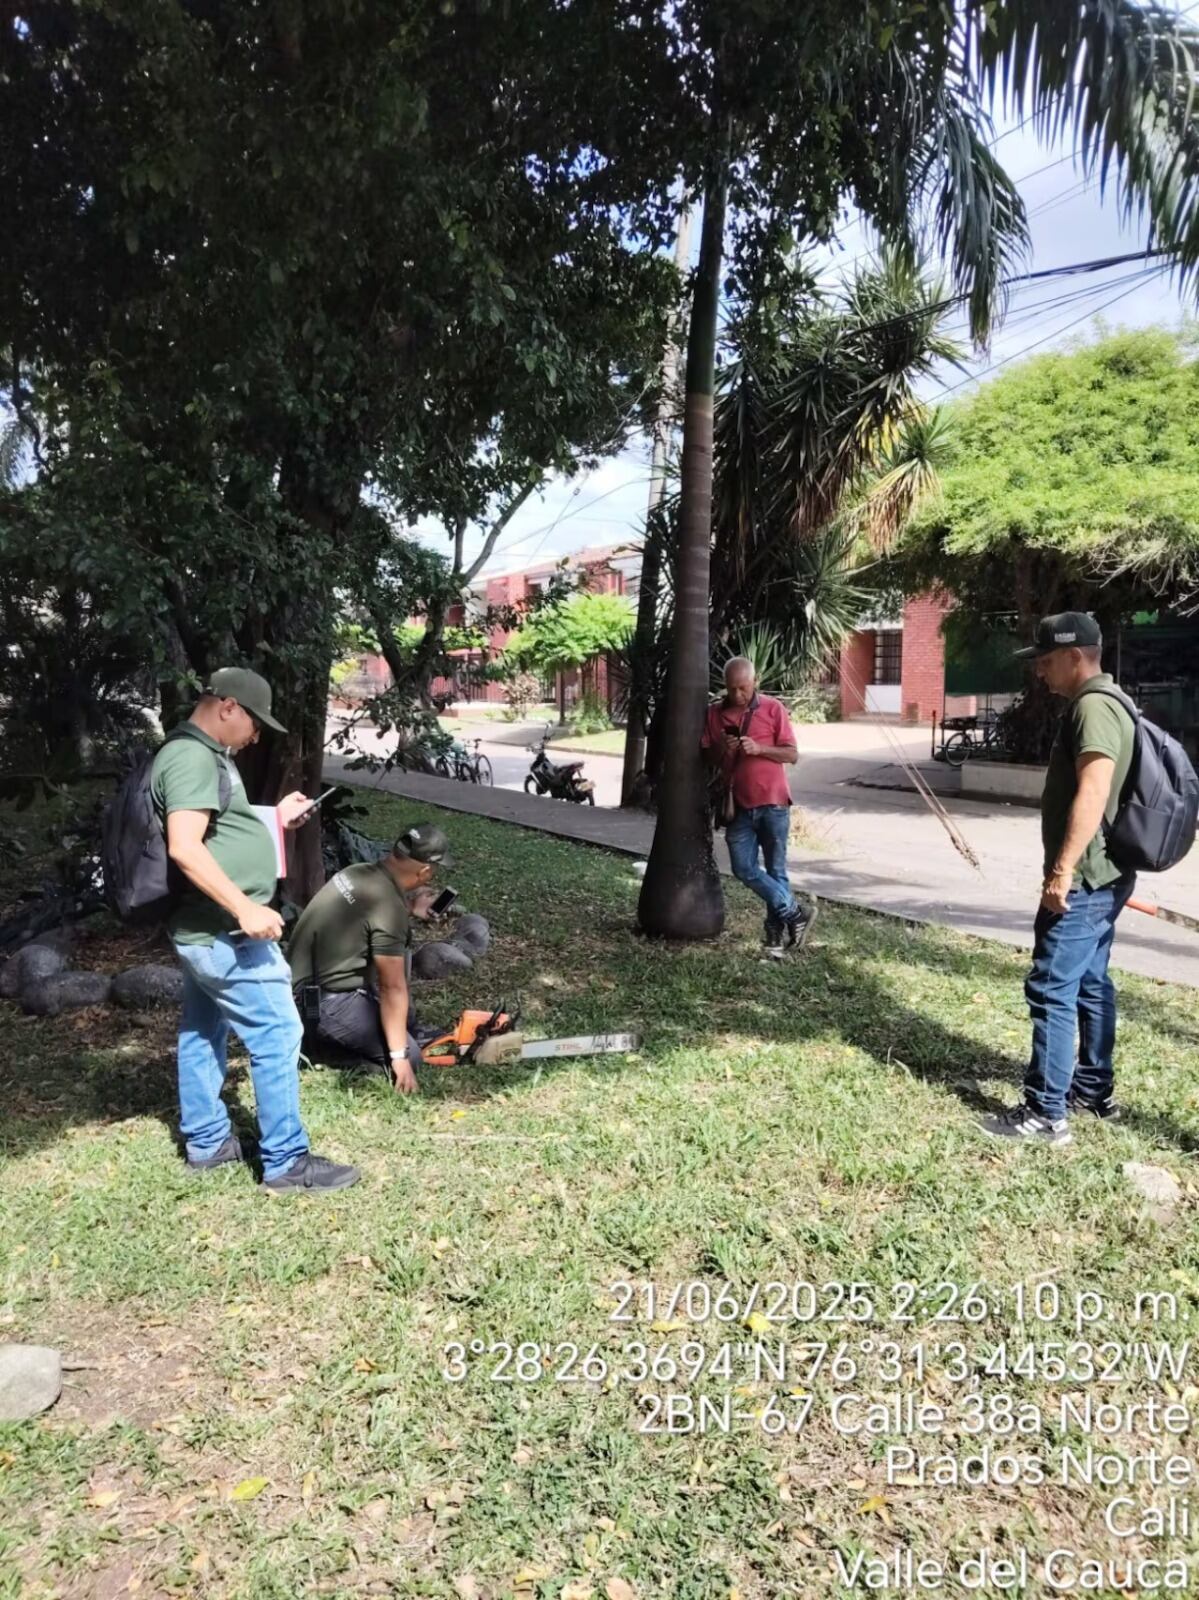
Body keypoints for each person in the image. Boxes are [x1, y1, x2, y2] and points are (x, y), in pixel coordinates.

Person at [151, 667, 360, 1194]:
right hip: (226, 932)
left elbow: (220, 826)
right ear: (228, 708)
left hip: (203, 929)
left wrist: (272, 817)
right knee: (278, 1032)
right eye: (255, 724)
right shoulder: (191, 756)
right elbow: (186, 845)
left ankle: (207, 1141)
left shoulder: (204, 755)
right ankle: (287, 1163)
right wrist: (245, 908)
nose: (257, 736)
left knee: (203, 1030)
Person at [982, 613, 1137, 1147]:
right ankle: (1092, 1090)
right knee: (1091, 982)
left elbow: (1092, 792)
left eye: (1046, 662)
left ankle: (1047, 1113)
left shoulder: (1094, 708)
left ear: (1076, 657)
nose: (1041, 673)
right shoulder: (1111, 702)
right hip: (1107, 875)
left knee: (1051, 985)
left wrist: (1062, 870)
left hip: (1087, 878)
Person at [287, 823, 452, 1093]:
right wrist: (399, 1058)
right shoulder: (389, 908)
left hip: (301, 987)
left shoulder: (357, 873)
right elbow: (392, 987)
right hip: (323, 1003)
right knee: (411, 1056)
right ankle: (326, 1053)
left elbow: (366, 917)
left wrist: (409, 907)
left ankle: (333, 1040)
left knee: (404, 1017)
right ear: (425, 871)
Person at [701, 657, 816, 950]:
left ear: (755, 682)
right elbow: (707, 757)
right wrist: (720, 748)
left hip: (773, 802)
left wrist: (760, 748)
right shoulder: (714, 714)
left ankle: (774, 940)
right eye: (731, 689)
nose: (738, 695)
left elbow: (791, 754)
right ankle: (795, 912)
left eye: (743, 688)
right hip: (736, 804)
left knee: (776, 871)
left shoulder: (772, 708)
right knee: (743, 867)